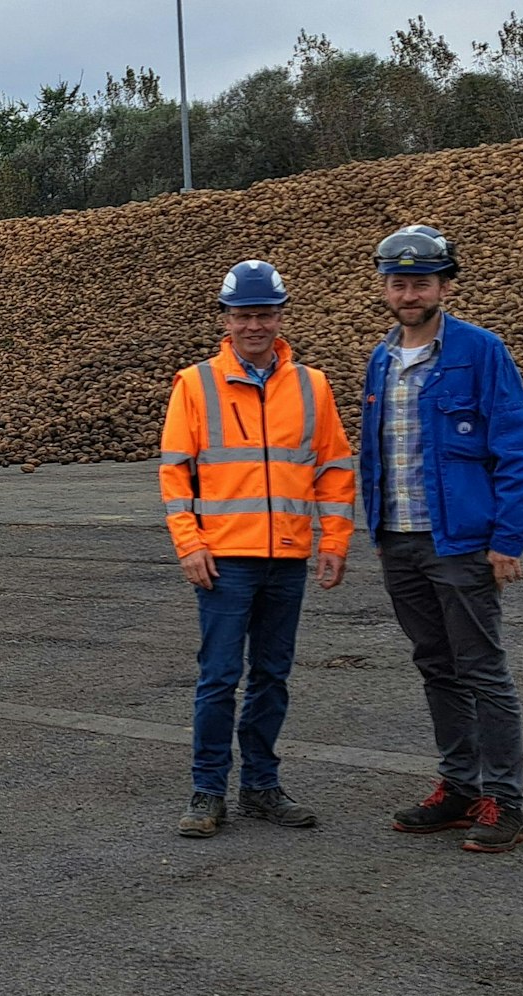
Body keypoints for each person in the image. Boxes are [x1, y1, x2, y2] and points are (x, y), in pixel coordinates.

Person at [360, 225, 523, 854]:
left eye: (421, 282)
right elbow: (377, 453)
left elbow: (516, 447)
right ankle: (460, 788)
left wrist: (508, 538)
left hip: (461, 541)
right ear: (385, 287)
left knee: (483, 671)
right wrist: (377, 526)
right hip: (401, 541)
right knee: (436, 667)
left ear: (444, 285)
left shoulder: (479, 351)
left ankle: (505, 800)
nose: (409, 293)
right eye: (399, 282)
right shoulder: (381, 360)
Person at [160, 260, 355, 838]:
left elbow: (335, 469)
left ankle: (262, 788)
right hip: (224, 561)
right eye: (243, 315)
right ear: (226, 319)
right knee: (219, 677)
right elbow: (176, 474)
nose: (254, 325)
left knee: (272, 675)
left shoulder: (312, 386)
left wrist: (335, 541)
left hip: (288, 558)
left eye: (264, 314)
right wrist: (188, 545)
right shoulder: (195, 385)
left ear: (279, 317)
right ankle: (207, 791)